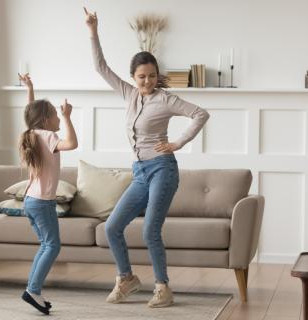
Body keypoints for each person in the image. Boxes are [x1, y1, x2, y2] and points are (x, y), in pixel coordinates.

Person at [84, 8, 210, 308]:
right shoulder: (128, 94)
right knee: (113, 227)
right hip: (140, 172)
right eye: (142, 77)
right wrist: (93, 32)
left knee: (149, 229)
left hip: (163, 170)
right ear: (133, 77)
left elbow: (200, 114)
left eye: (152, 76)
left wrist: (178, 142)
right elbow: (101, 67)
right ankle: (126, 278)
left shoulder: (165, 99)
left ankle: (163, 288)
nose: (147, 81)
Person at [18, 73, 78, 315]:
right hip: (42, 203)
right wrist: (68, 117)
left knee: (46, 245)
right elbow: (72, 143)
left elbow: (30, 113)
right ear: (46, 119)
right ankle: (33, 289)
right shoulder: (49, 137)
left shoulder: (32, 135)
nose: (58, 118)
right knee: (52, 246)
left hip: (31, 202)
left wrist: (30, 89)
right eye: (55, 114)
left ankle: (33, 291)